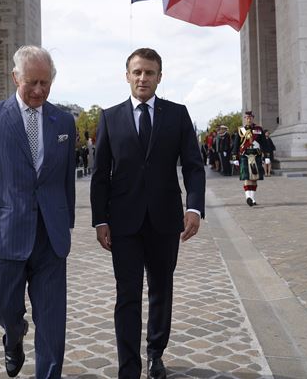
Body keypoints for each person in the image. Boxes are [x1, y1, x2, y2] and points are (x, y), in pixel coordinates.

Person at [91, 47, 206, 379]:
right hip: (123, 222)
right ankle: (128, 365)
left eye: (150, 72)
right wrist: (100, 219)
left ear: (159, 76)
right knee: (127, 295)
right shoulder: (109, 117)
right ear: (127, 75)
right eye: (137, 72)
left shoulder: (178, 114)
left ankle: (156, 353)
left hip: (165, 220)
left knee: (161, 290)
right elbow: (100, 175)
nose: (143, 78)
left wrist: (194, 207)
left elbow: (194, 167)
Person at [0, 45, 76, 379]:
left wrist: (65, 222)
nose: (39, 90)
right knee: (3, 306)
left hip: (50, 239)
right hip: (5, 233)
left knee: (53, 320)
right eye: (32, 82)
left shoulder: (65, 121)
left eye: (46, 82)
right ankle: (13, 337)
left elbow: (66, 179)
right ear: (15, 77)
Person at [238, 111, 265, 206]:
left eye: (250, 117)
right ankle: (248, 197)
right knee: (247, 177)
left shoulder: (259, 129)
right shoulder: (241, 130)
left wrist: (266, 155)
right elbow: (236, 144)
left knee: (254, 178)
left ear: (253, 118)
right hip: (245, 155)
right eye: (247, 118)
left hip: (256, 155)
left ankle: (252, 199)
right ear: (245, 119)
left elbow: (263, 143)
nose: (249, 119)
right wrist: (234, 157)